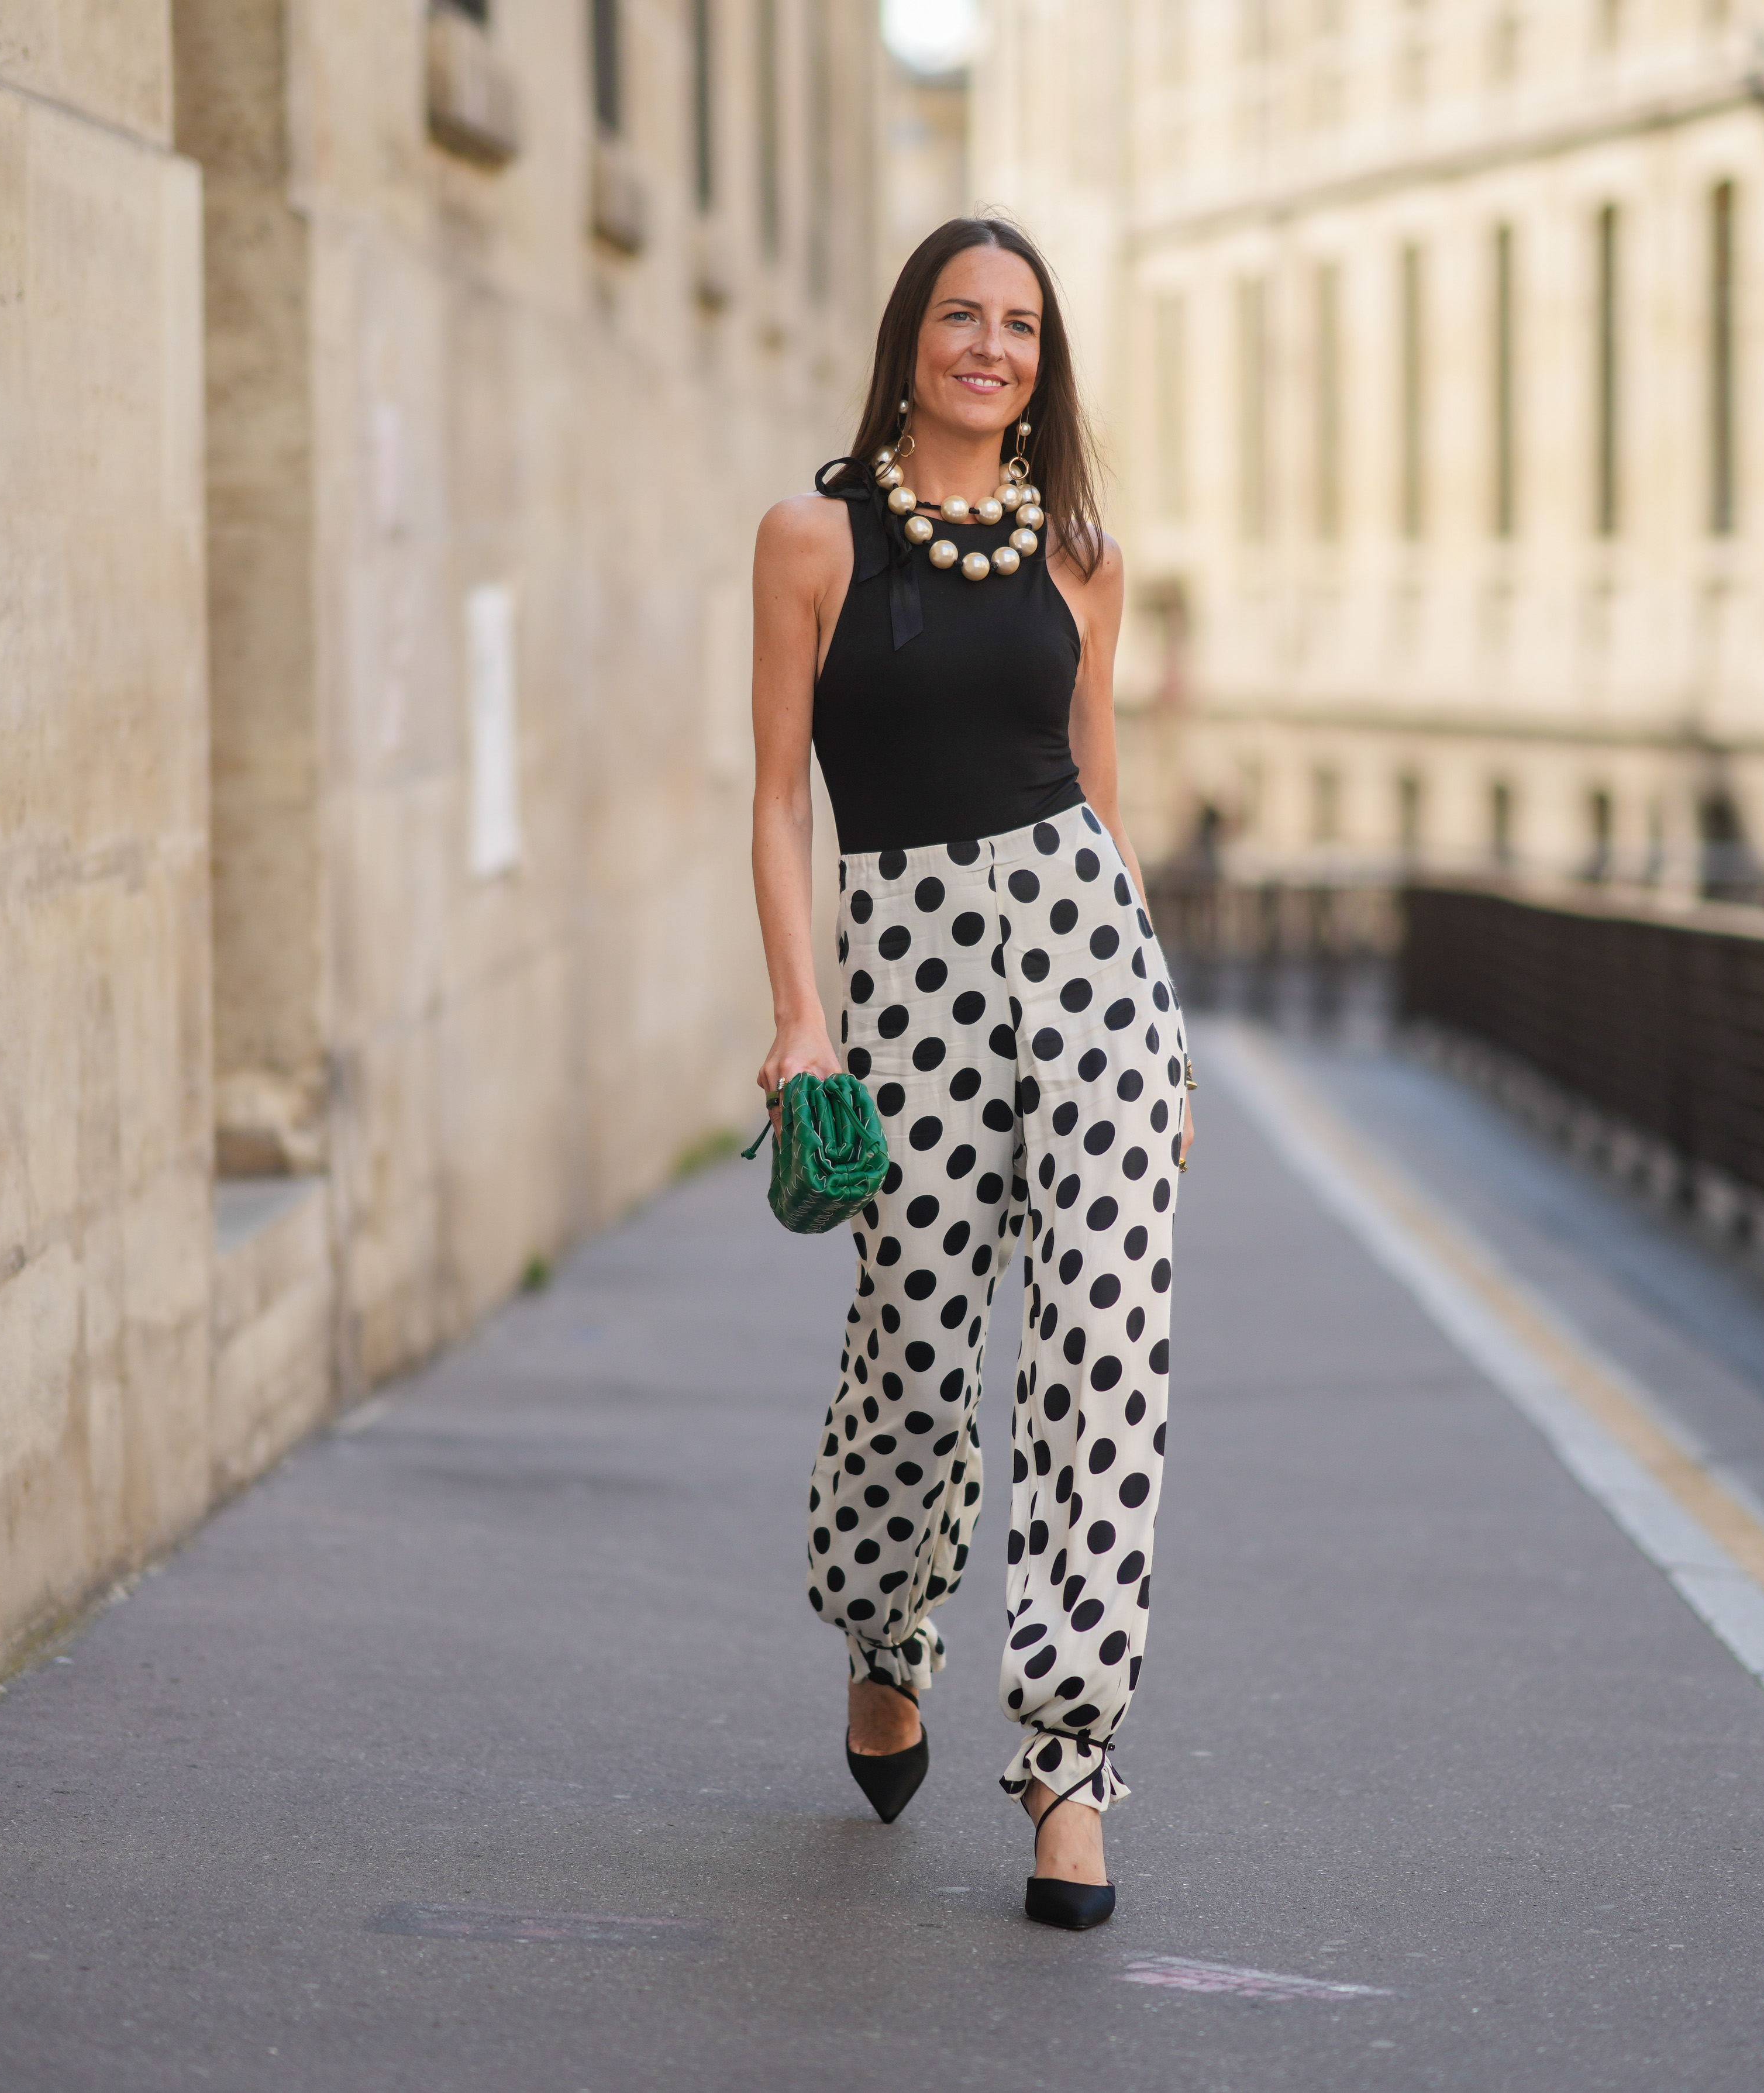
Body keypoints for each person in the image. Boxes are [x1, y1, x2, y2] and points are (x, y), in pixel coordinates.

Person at [746, 218, 1193, 1932]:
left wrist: (1167, 1038)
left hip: (1091, 970)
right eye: (961, 316)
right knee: (919, 1361)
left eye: (1019, 325)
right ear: (911, 338)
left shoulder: (1082, 555)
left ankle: (1070, 1763)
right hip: (909, 977)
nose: (990, 348)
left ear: (1042, 360)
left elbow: (1104, 795)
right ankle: (882, 1624)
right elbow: (781, 801)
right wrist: (804, 1017)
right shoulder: (812, 539)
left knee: (1102, 1360)